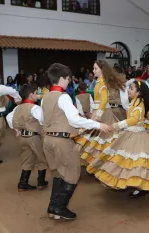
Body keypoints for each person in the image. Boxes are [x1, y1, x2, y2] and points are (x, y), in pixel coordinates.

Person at [87, 81, 149, 198]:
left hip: (137, 135)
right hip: (130, 133)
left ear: (139, 92)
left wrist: (116, 125)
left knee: (138, 161)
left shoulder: (139, 103)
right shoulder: (134, 101)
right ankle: (136, 184)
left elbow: (134, 119)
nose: (129, 90)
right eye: (129, 88)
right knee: (128, 160)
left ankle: (140, 186)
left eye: (132, 88)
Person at [41, 63, 111, 220]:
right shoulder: (63, 97)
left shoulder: (45, 96)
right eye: (67, 79)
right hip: (61, 141)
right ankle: (59, 207)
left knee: (59, 173)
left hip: (48, 140)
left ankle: (53, 206)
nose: (68, 82)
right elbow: (75, 120)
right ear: (61, 79)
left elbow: (42, 118)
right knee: (72, 173)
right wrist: (98, 125)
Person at [75, 60, 122, 166]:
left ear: (102, 70)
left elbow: (104, 100)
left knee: (103, 138)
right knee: (97, 137)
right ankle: (98, 162)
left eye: (95, 68)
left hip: (103, 113)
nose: (93, 70)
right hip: (101, 112)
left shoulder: (102, 83)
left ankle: (102, 163)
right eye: (93, 68)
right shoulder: (99, 82)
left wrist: (98, 115)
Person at [6, 85, 48, 192]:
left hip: (23, 137)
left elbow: (8, 117)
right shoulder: (35, 108)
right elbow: (44, 121)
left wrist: (17, 129)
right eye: (36, 93)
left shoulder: (17, 108)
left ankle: (22, 183)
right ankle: (41, 182)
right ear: (31, 95)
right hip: (34, 137)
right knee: (41, 158)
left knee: (27, 159)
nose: (37, 95)